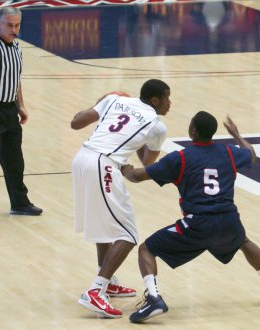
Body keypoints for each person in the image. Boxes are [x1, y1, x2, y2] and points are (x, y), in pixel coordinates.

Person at [122, 111, 260, 323]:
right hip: (228, 220)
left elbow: (137, 176)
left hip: (197, 223)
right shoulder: (229, 152)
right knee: (243, 241)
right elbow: (251, 154)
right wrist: (236, 135)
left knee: (147, 249)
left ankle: (154, 298)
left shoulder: (180, 157)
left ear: (193, 131)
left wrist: (124, 168)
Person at [70, 79, 171, 318]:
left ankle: (108, 280)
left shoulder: (115, 99)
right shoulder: (157, 126)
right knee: (128, 235)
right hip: (104, 164)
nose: (170, 103)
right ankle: (96, 290)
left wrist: (101, 101)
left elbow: (75, 122)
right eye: (168, 98)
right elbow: (147, 163)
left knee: (103, 226)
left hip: (82, 159)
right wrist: (138, 142)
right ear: (155, 100)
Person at [0, 7, 42, 223]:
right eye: (10, 25)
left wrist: (21, 105)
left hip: (9, 110)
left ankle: (19, 203)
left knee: (15, 160)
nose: (14, 29)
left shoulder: (17, 49)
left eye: (17, 25)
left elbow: (15, 79)